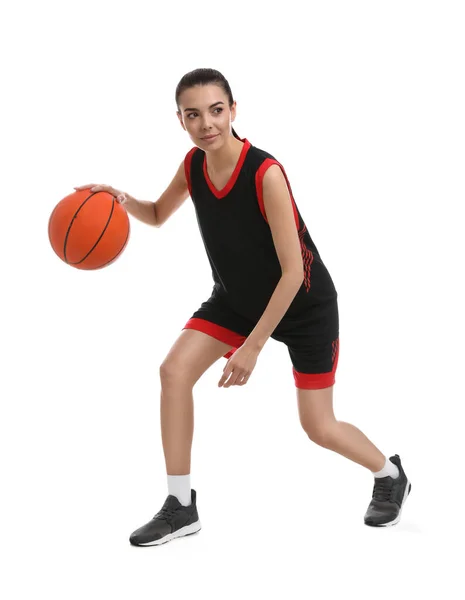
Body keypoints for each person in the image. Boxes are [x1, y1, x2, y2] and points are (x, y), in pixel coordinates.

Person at [75, 67, 411, 547]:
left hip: (305, 306)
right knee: (173, 373)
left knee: (318, 426)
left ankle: (389, 473)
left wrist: (252, 349)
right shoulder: (193, 165)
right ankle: (180, 506)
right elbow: (153, 214)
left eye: (216, 110)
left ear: (233, 111)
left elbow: (293, 274)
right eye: (193, 115)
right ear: (181, 120)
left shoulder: (265, 173)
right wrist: (117, 199)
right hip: (236, 299)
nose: (206, 123)